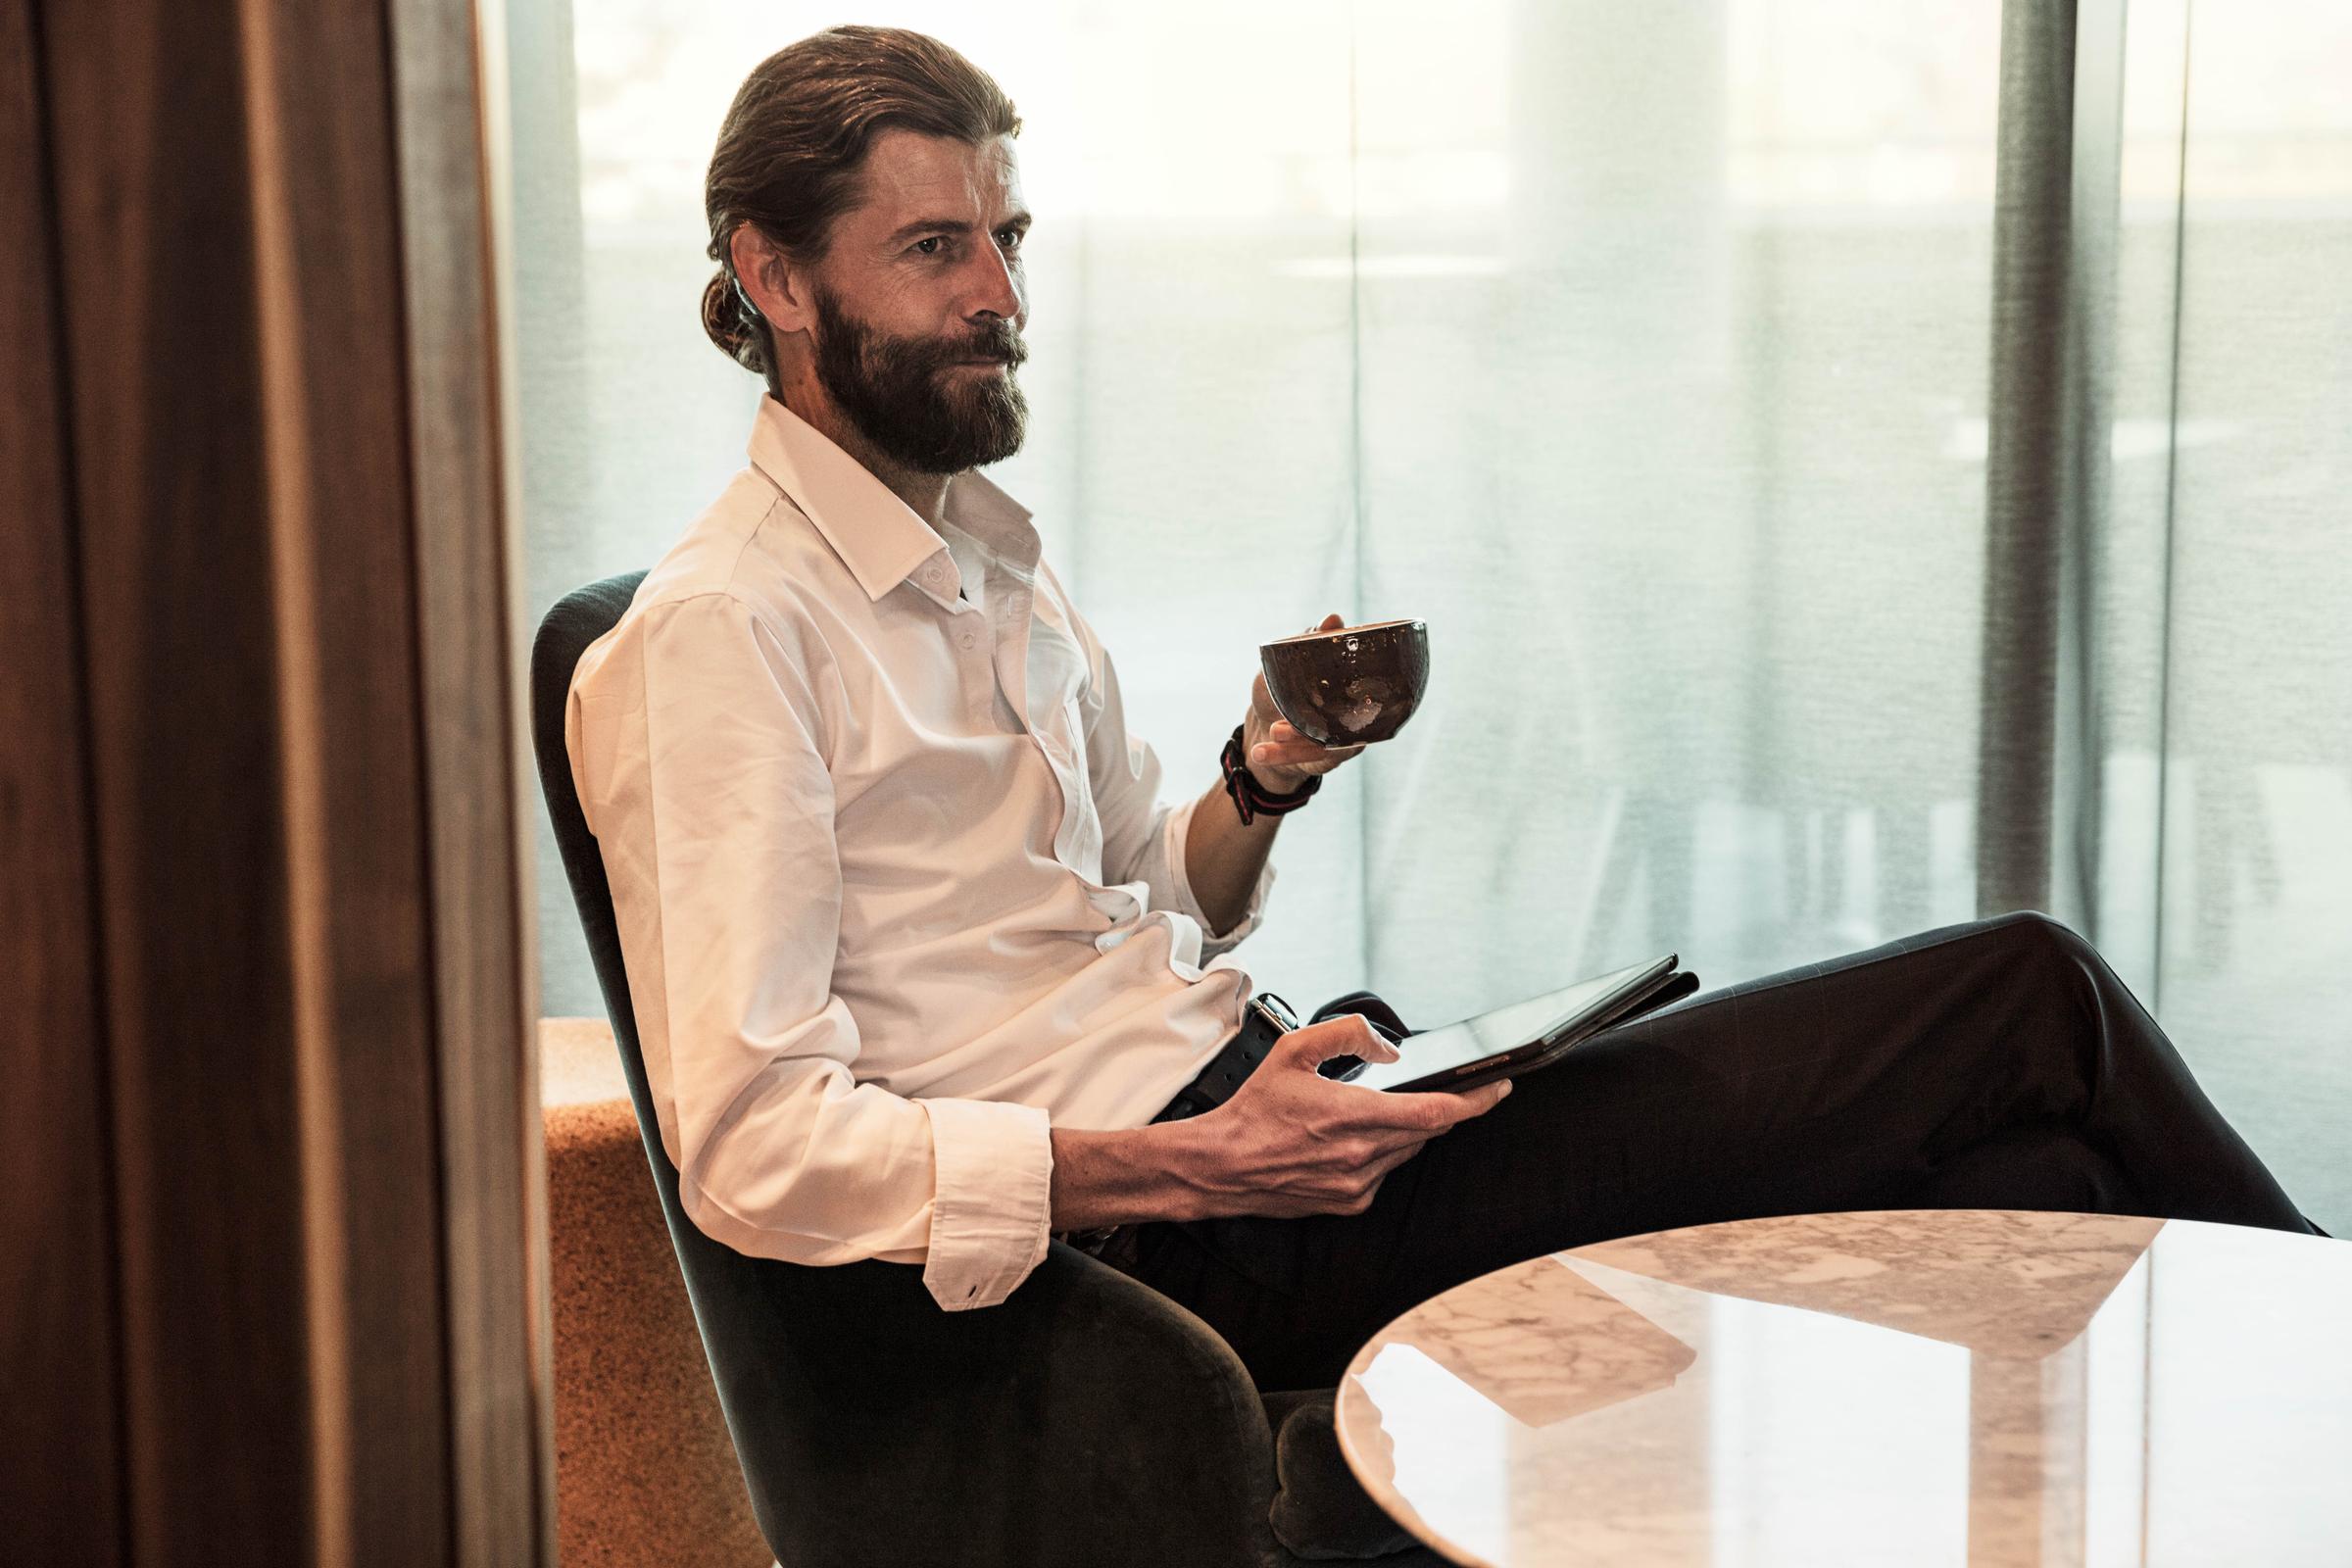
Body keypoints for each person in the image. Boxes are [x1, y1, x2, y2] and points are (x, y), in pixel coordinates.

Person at [565, 25, 2317, 1393]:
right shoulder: (725, 634)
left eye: (1009, 240)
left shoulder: (987, 562)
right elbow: (751, 1147)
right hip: (1184, 1246)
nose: (1004, 300)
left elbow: (1136, 903)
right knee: (2027, 994)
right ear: (777, 277)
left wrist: (1271, 770)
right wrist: (1211, 1172)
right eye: (935, 247)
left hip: (1284, 1110)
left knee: (2044, 1190)